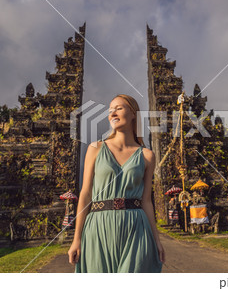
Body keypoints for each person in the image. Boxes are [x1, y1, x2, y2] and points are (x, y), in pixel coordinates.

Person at [68, 94, 165, 272]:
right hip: (98, 227)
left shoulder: (147, 155)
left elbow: (147, 201)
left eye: (118, 108)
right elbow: (86, 194)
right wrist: (77, 239)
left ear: (133, 113)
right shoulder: (95, 148)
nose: (113, 113)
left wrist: (157, 240)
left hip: (136, 227)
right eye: (110, 110)